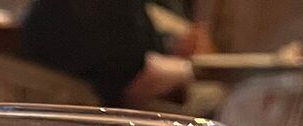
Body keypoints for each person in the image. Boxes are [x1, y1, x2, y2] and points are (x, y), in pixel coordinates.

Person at [15, 0, 212, 107]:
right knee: (218, 101)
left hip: (61, 112)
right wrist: (188, 69)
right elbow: (133, 80)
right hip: (95, 122)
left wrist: (173, 47)